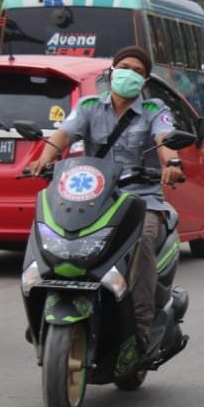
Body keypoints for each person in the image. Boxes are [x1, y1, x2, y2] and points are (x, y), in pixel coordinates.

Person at [27, 45, 185, 352]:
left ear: (145, 79)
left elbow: (165, 140)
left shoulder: (155, 110)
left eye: (138, 71)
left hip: (141, 200)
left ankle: (141, 327)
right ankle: (40, 312)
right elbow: (63, 135)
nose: (130, 74)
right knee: (48, 232)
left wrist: (173, 164)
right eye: (124, 67)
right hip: (94, 200)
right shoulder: (88, 106)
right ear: (112, 71)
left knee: (141, 242)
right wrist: (44, 158)